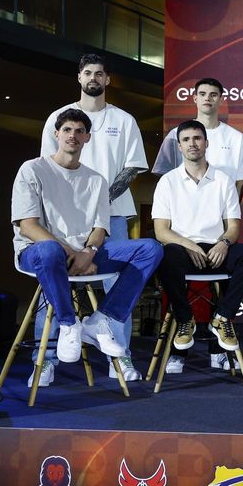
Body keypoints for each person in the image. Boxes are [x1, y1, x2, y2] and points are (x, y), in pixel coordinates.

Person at [14, 108, 162, 387]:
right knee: (50, 251)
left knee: (150, 249)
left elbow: (100, 228)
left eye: (79, 131)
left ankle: (103, 319)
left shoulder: (96, 180)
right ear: (56, 134)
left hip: (85, 253)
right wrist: (72, 253)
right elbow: (28, 226)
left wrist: (89, 252)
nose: (73, 135)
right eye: (67, 130)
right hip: (39, 252)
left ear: (88, 138)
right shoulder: (32, 169)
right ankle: (69, 325)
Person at [41, 54, 148, 379]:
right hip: (63, 218)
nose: (94, 78)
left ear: (107, 80)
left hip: (113, 216)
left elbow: (132, 167)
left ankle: (122, 358)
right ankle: (44, 359)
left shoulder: (124, 120)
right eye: (87, 72)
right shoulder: (58, 118)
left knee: (119, 283)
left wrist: (98, 201)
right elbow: (48, 167)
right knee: (52, 279)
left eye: (99, 74)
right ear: (79, 77)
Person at [152, 120, 243, 375]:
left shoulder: (224, 180)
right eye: (187, 139)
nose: (193, 143)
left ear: (206, 143)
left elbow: (233, 226)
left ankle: (222, 318)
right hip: (182, 249)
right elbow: (161, 231)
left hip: (215, 250)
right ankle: (185, 319)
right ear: (179, 146)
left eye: (197, 138)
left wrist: (224, 243)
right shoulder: (168, 182)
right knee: (166, 254)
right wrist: (188, 244)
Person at [152, 78, 243, 198]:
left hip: (223, 209)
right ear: (195, 98)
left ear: (221, 100)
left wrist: (231, 212)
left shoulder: (236, 138)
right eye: (202, 94)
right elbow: (164, 176)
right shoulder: (176, 135)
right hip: (182, 208)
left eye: (213, 95)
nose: (207, 98)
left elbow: (241, 181)